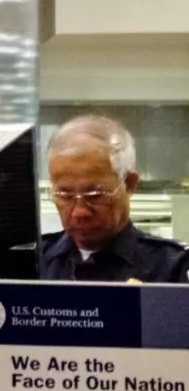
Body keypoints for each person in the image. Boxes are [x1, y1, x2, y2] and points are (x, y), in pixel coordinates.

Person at [41, 115, 189, 283]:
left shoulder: (174, 268)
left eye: (95, 195)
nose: (79, 212)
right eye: (65, 195)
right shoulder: (30, 264)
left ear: (129, 184)